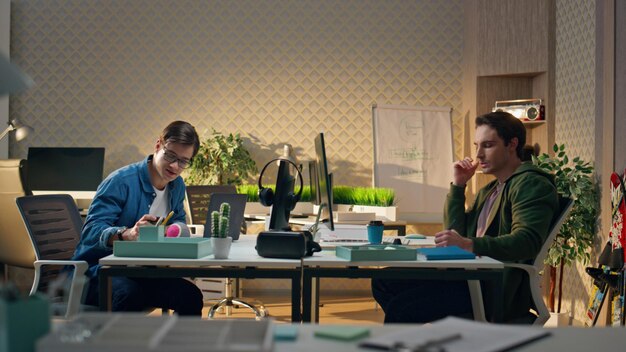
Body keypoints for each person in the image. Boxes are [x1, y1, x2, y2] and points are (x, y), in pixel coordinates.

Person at [372, 111, 559, 323]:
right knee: (383, 280)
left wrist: (470, 245)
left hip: (491, 287)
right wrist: (459, 185)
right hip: (469, 278)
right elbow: (456, 234)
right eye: (476, 145)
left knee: (403, 307)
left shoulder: (531, 184)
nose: (478, 154)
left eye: (487, 145)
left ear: (511, 144)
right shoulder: (491, 189)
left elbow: (527, 241)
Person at [73, 120, 204, 315]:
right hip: (96, 273)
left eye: (184, 161)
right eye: (170, 156)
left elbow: (178, 221)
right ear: (158, 145)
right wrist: (126, 234)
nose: (175, 166)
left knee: (190, 296)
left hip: (140, 272)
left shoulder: (177, 186)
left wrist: (176, 229)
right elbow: (91, 232)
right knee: (129, 295)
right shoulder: (120, 181)